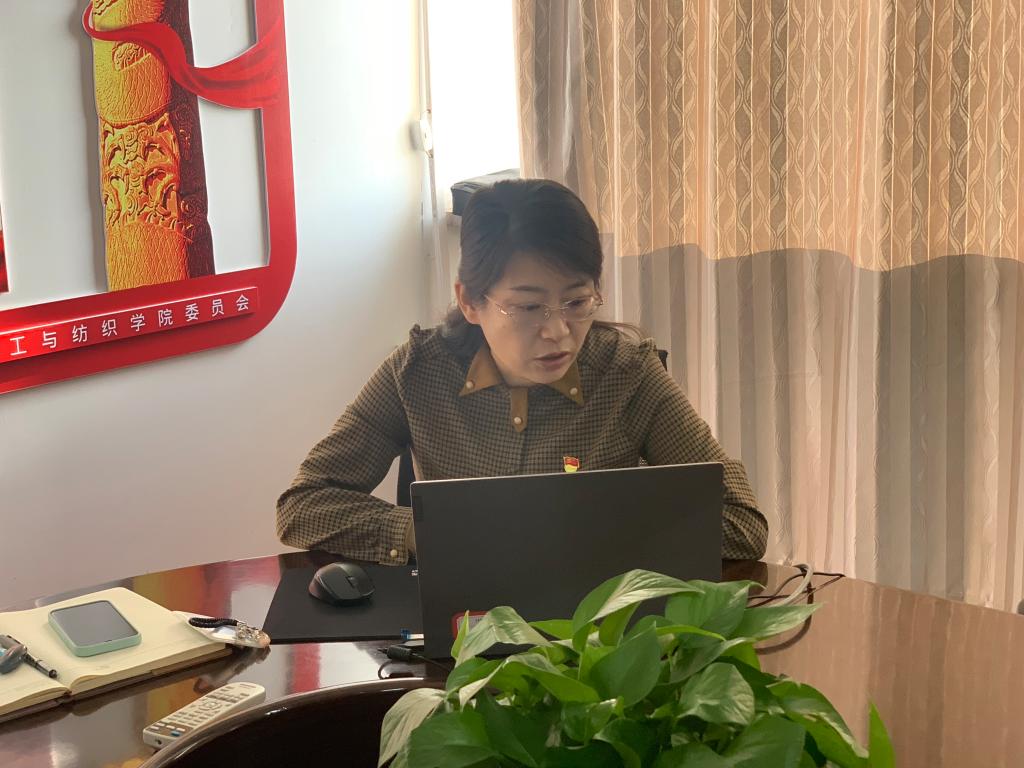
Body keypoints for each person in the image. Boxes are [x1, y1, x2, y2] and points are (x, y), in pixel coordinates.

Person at [277, 179, 767, 562]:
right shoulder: (417, 373)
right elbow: (304, 504)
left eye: (577, 301)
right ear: (470, 301)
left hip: (595, 632)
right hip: (462, 625)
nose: (559, 332)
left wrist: (594, 526)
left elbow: (742, 525)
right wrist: (426, 533)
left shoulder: (627, 374)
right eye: (529, 307)